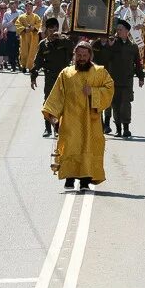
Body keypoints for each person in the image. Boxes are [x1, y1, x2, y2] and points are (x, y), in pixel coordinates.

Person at [41, 41, 115, 192]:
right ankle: (69, 180)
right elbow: (56, 96)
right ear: (74, 55)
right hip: (70, 120)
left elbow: (109, 88)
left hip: (91, 121)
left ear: (90, 56)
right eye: (79, 55)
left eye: (84, 55)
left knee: (89, 148)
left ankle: (85, 182)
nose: (81, 58)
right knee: (70, 147)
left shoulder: (100, 72)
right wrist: (54, 118)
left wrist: (93, 92)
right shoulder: (66, 73)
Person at [93, 19, 144, 138]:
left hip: (127, 80)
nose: (118, 32)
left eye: (121, 29)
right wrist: (107, 46)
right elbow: (103, 58)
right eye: (117, 29)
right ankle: (118, 129)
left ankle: (126, 128)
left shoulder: (133, 47)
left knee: (125, 104)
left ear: (127, 31)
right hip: (113, 79)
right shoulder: (112, 44)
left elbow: (138, 63)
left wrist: (141, 77)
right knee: (115, 104)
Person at [32, 17, 74, 138]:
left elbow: (72, 48)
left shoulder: (64, 41)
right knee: (48, 102)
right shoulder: (43, 44)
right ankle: (47, 128)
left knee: (62, 102)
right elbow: (38, 62)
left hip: (63, 76)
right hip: (50, 76)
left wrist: (61, 38)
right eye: (50, 30)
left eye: (55, 29)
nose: (53, 32)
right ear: (47, 30)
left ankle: (59, 127)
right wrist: (33, 76)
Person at [15, 2, 43, 73]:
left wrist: (34, 28)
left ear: (32, 8)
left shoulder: (36, 16)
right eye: (27, 7)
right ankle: (23, 66)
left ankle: (31, 67)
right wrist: (24, 29)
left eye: (30, 7)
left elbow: (39, 24)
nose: (29, 9)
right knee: (24, 52)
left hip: (33, 37)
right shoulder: (21, 17)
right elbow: (17, 24)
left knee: (32, 52)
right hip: (24, 36)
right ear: (25, 8)